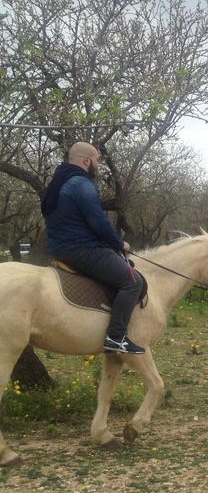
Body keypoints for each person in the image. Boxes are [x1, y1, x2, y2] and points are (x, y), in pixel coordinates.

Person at [41, 142, 145, 354]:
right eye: (97, 160)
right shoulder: (81, 184)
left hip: (60, 248)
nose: (98, 166)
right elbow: (98, 222)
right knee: (133, 281)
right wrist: (119, 243)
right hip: (83, 249)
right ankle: (116, 338)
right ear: (86, 161)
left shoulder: (58, 183)